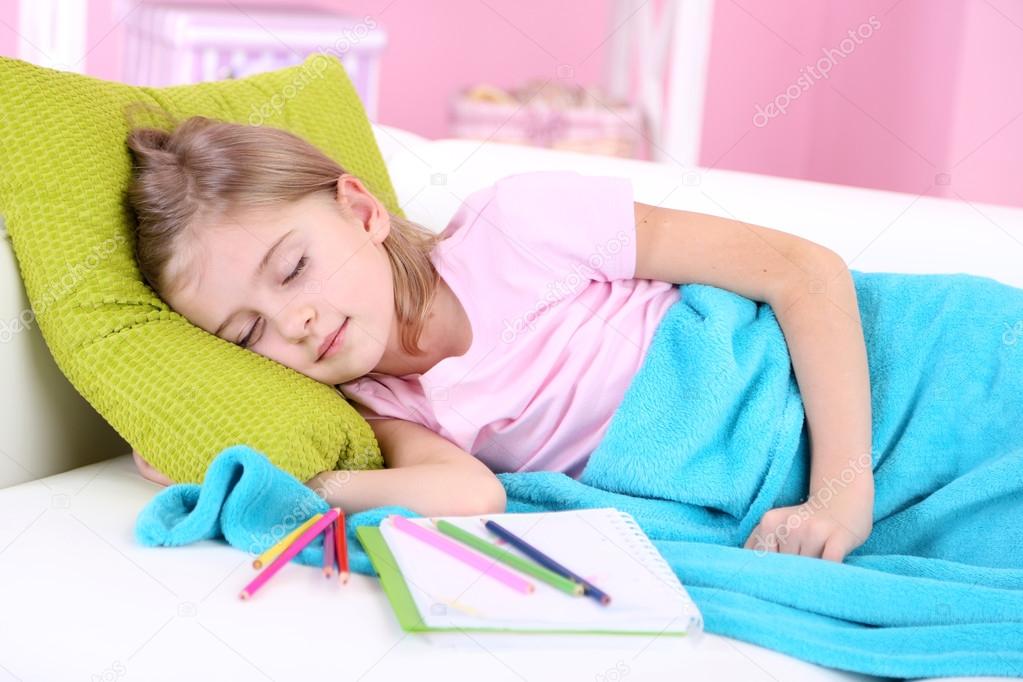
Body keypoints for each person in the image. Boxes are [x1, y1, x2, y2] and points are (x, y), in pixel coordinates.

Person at [125, 114, 873, 562]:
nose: (294, 324)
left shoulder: (519, 227)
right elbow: (467, 491)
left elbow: (804, 272)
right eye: (247, 331)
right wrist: (261, 476)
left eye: (292, 268)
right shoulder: (384, 403)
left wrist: (840, 497)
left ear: (359, 211)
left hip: (840, 368)